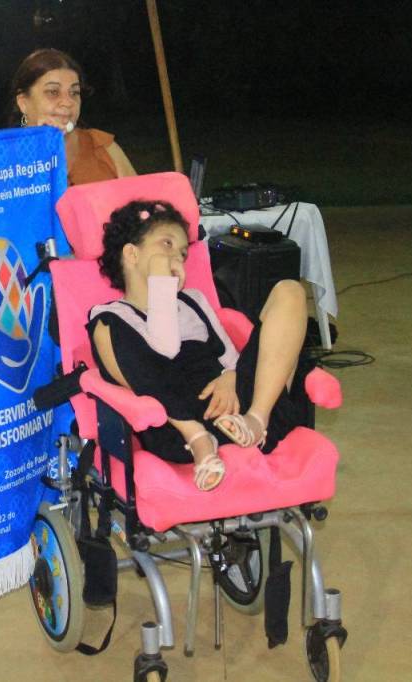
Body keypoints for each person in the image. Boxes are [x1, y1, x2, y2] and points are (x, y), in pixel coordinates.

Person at [88, 200, 310, 491]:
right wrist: (162, 287)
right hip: (178, 423)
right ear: (131, 253)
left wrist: (231, 377)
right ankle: (201, 440)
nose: (177, 257)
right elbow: (165, 353)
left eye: (182, 252)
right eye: (166, 244)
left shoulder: (194, 301)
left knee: (290, 291)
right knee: (111, 331)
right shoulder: (110, 318)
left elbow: (231, 358)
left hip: (239, 412)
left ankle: (258, 420)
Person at [8, 48, 136, 185]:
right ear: (23, 103)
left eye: (74, 92)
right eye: (53, 92)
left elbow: (140, 196)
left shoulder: (104, 147)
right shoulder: (2, 158)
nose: (68, 102)